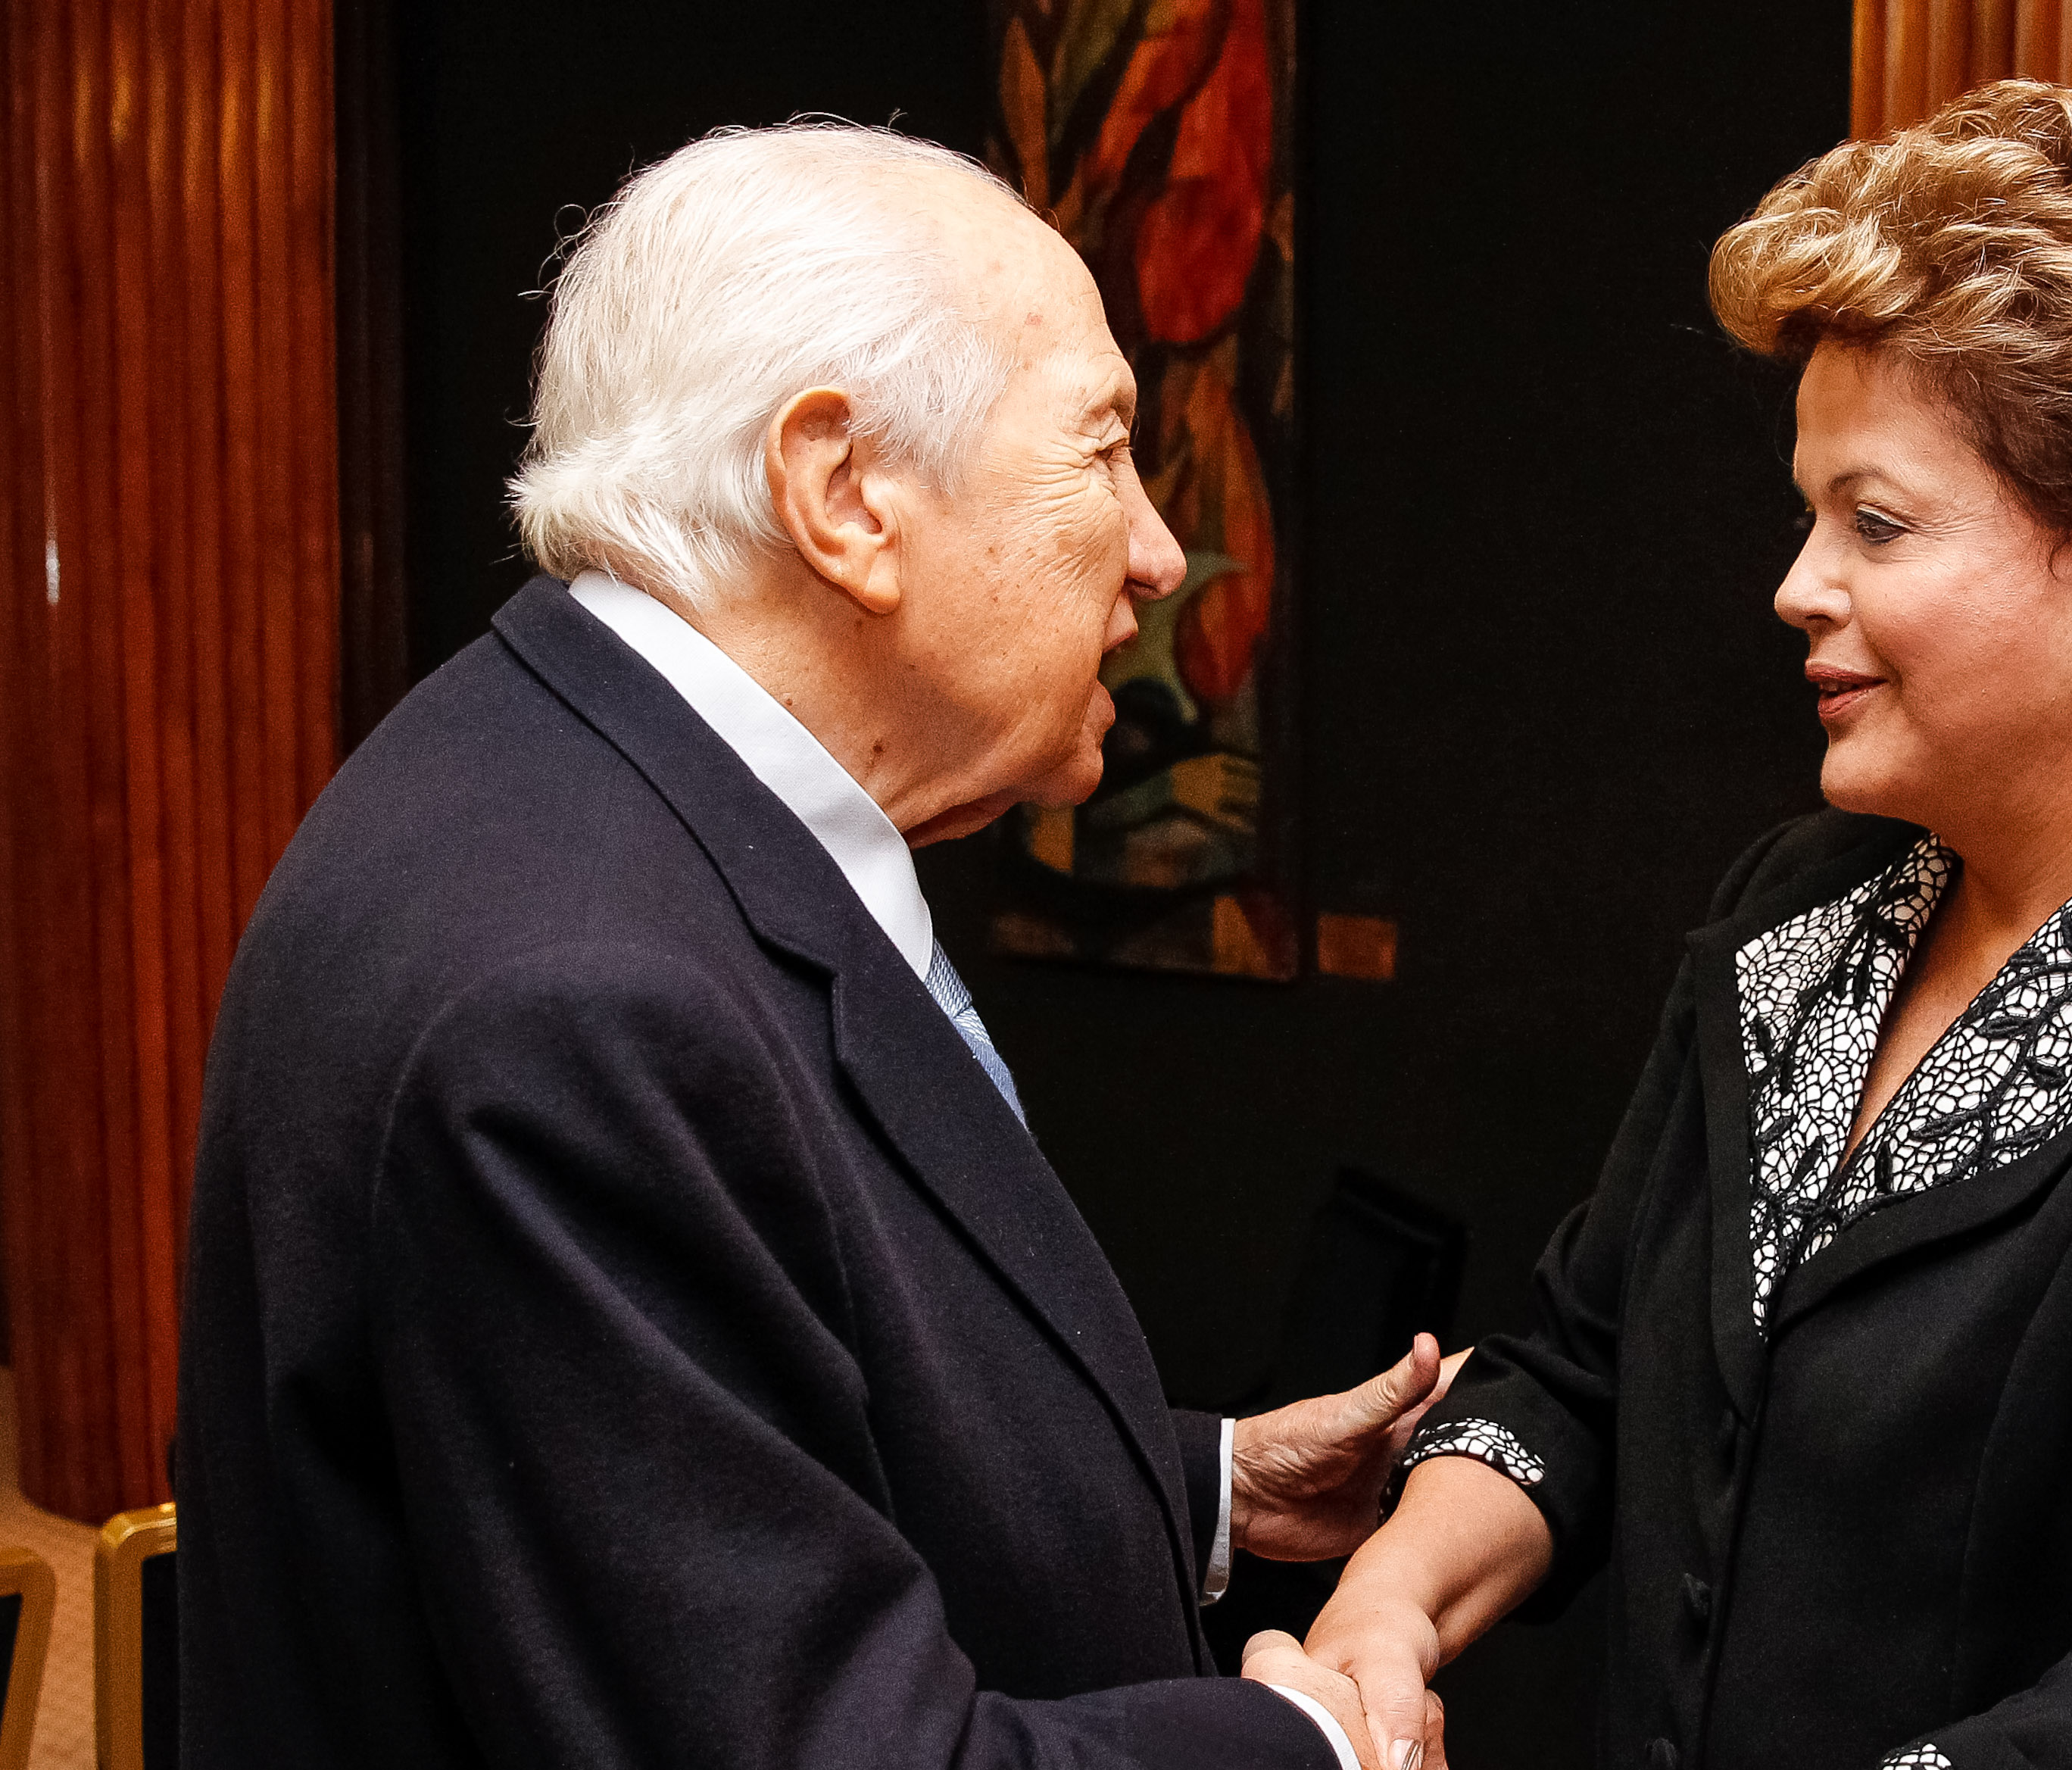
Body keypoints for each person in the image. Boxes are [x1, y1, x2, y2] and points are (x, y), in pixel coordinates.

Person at [1302, 81, 2072, 1770]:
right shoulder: (1798, 906)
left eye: (1874, 521)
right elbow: (1582, 1372)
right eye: (1811, 509)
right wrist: (1390, 1589)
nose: (1795, 583)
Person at [175, 123, 1446, 1770]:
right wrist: (1310, 1748)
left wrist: (1200, 1482)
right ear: (844, 493)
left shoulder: (569, 774)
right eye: (1104, 448)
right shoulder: (578, 999)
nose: (1154, 546)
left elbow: (708, 1443)